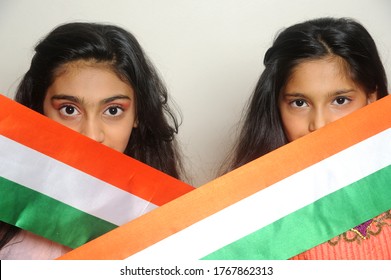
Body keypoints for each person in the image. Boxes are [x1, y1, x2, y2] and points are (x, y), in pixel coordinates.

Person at [0, 22, 185, 259]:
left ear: (138, 114)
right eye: (68, 109)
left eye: (113, 110)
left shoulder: (176, 223)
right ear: (38, 110)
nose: (90, 136)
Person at [221, 17, 390, 259]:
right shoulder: (243, 211)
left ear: (371, 98)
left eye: (340, 100)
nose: (319, 125)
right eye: (299, 103)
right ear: (276, 106)